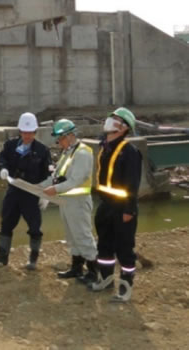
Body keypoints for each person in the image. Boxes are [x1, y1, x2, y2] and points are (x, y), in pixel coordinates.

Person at [88, 107, 142, 302]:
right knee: (104, 246)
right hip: (106, 205)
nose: (110, 120)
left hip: (122, 208)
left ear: (124, 127)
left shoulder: (129, 152)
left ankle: (125, 287)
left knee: (124, 248)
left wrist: (129, 209)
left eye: (116, 118)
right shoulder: (105, 147)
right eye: (111, 116)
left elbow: (132, 184)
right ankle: (106, 279)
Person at [0, 112, 51, 270]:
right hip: (14, 192)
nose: (27, 136)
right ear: (20, 132)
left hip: (31, 194)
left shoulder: (42, 151)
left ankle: (33, 260)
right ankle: (2, 258)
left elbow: (48, 174)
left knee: (35, 227)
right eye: (24, 132)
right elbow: (3, 159)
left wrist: (45, 194)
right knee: (6, 223)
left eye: (30, 133)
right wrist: (3, 169)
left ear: (35, 132)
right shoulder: (10, 146)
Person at [38, 119, 98, 283]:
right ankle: (77, 268)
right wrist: (37, 187)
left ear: (70, 135)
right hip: (66, 202)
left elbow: (75, 180)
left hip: (78, 202)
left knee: (83, 236)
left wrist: (53, 190)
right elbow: (56, 177)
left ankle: (94, 272)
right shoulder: (68, 152)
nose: (59, 142)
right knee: (72, 237)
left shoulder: (82, 153)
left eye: (61, 138)